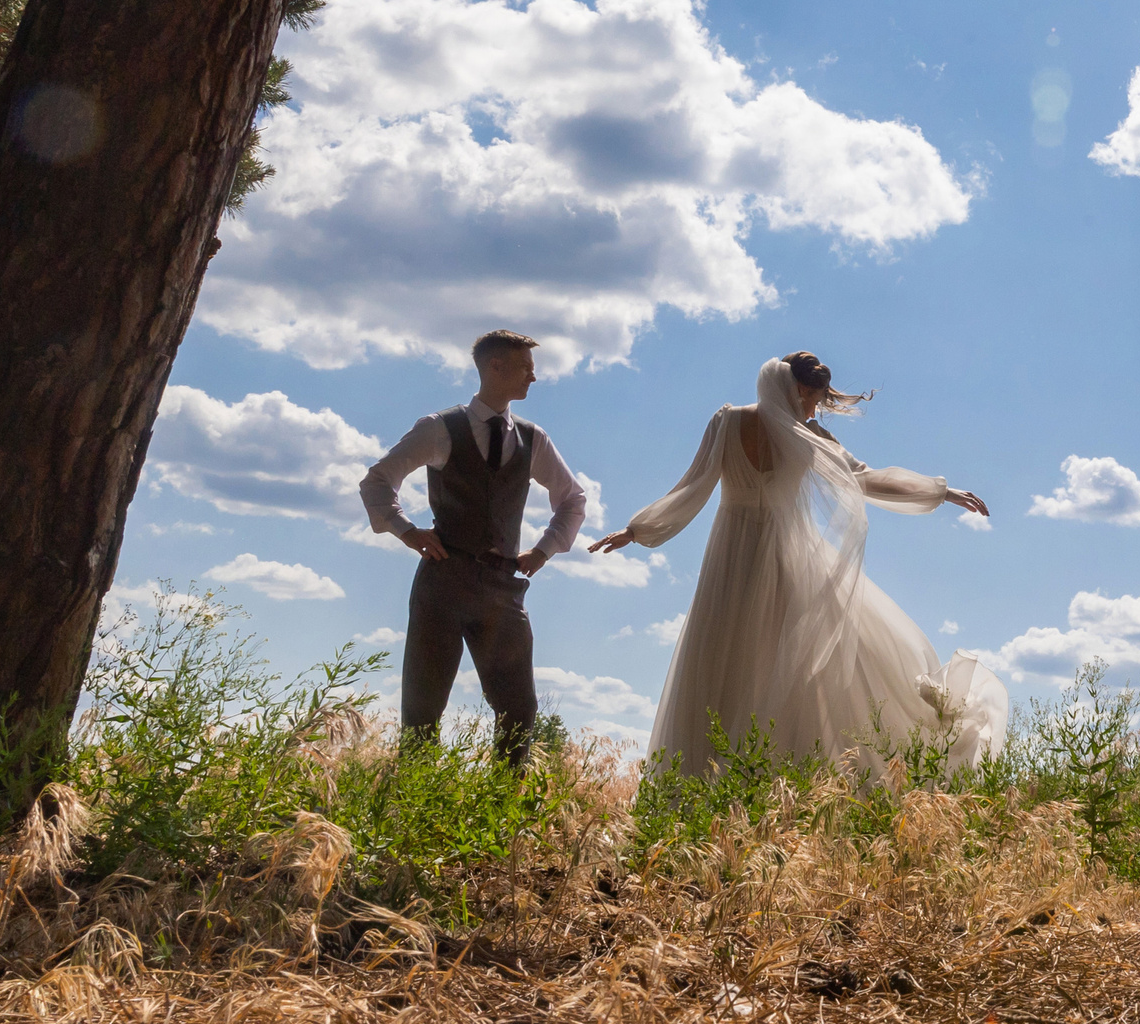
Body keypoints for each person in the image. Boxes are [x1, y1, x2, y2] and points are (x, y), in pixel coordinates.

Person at [592, 351, 1009, 775]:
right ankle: (719, 785)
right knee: (729, 661)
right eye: (813, 399)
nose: (814, 409)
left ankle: (783, 780)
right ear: (796, 388)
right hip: (760, 557)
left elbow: (861, 478)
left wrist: (938, 491)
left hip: (754, 555)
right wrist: (639, 529)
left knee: (788, 666)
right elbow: (694, 484)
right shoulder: (747, 424)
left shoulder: (790, 432)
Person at [359, 328, 589, 763]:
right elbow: (377, 480)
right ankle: (416, 811)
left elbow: (573, 498)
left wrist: (543, 550)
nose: (533, 379)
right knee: (422, 711)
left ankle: (504, 815)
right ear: (494, 367)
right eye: (526, 368)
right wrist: (406, 530)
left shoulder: (532, 437)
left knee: (519, 709)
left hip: (502, 588)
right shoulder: (439, 428)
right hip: (443, 583)